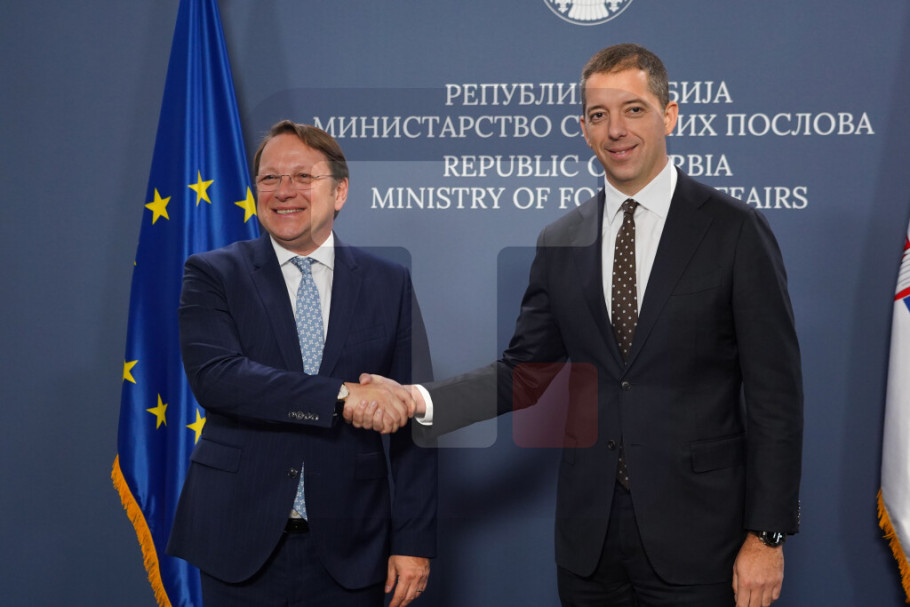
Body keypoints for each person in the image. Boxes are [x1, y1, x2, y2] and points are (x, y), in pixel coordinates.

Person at [358, 44, 803, 607]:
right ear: (584, 130)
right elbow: (524, 374)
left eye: (634, 109)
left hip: (702, 539)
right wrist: (417, 399)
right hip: (590, 546)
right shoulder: (560, 240)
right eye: (599, 115)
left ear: (669, 115)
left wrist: (766, 536)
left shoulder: (735, 229)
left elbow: (775, 397)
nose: (616, 129)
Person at [166, 120, 436, 607]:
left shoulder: (388, 283)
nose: (284, 191)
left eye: (303, 177)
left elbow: (414, 418)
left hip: (353, 544)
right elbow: (218, 379)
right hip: (238, 541)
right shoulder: (212, 274)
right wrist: (343, 395)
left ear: (340, 192)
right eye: (270, 178)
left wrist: (413, 541)